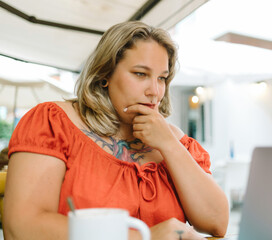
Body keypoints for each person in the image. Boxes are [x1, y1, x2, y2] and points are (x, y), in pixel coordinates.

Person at [3, 21, 229, 240]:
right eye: (140, 74)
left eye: (162, 78)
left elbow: (217, 223)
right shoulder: (53, 123)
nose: (155, 91)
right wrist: (145, 237)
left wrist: (169, 145)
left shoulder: (175, 140)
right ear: (104, 75)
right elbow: (22, 227)